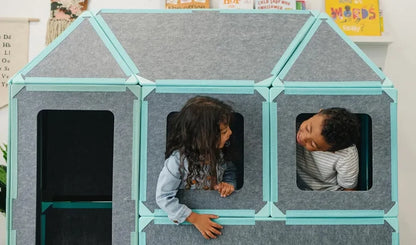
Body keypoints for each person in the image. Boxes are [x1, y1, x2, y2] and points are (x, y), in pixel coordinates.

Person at [156, 96, 236, 240]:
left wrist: (228, 183)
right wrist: (194, 218)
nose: (230, 132)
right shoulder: (177, 162)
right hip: (191, 223)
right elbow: (163, 197)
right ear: (204, 138)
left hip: (218, 214)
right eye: (224, 132)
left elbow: (229, 169)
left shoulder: (218, 154)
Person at [296, 107, 360, 191]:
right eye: (308, 128)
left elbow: (349, 188)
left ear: (332, 151)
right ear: (319, 112)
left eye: (313, 144)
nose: (303, 137)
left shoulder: (347, 156)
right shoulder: (293, 122)